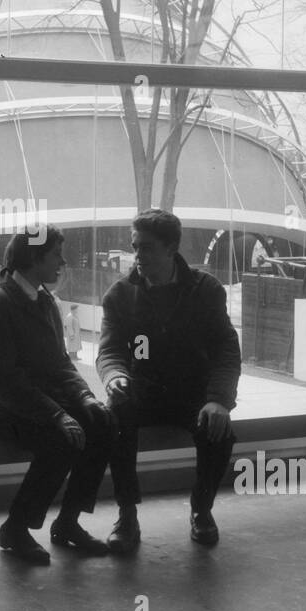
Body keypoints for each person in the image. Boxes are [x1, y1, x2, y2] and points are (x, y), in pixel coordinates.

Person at [0, 225, 115, 565]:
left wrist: (85, 398)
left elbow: (59, 363)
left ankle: (67, 522)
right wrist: (57, 414)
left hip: (33, 400)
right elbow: (4, 381)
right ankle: (15, 529)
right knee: (58, 439)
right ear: (34, 258)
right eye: (56, 255)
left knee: (102, 421)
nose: (62, 262)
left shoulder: (44, 300)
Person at [97, 209, 242, 551]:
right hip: (142, 392)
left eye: (146, 248)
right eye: (135, 247)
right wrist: (115, 375)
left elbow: (226, 348)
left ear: (171, 247)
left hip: (193, 395)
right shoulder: (119, 295)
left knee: (219, 433)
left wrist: (219, 399)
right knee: (115, 416)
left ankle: (201, 509)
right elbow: (110, 349)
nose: (137, 256)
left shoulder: (205, 290)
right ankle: (127, 514)